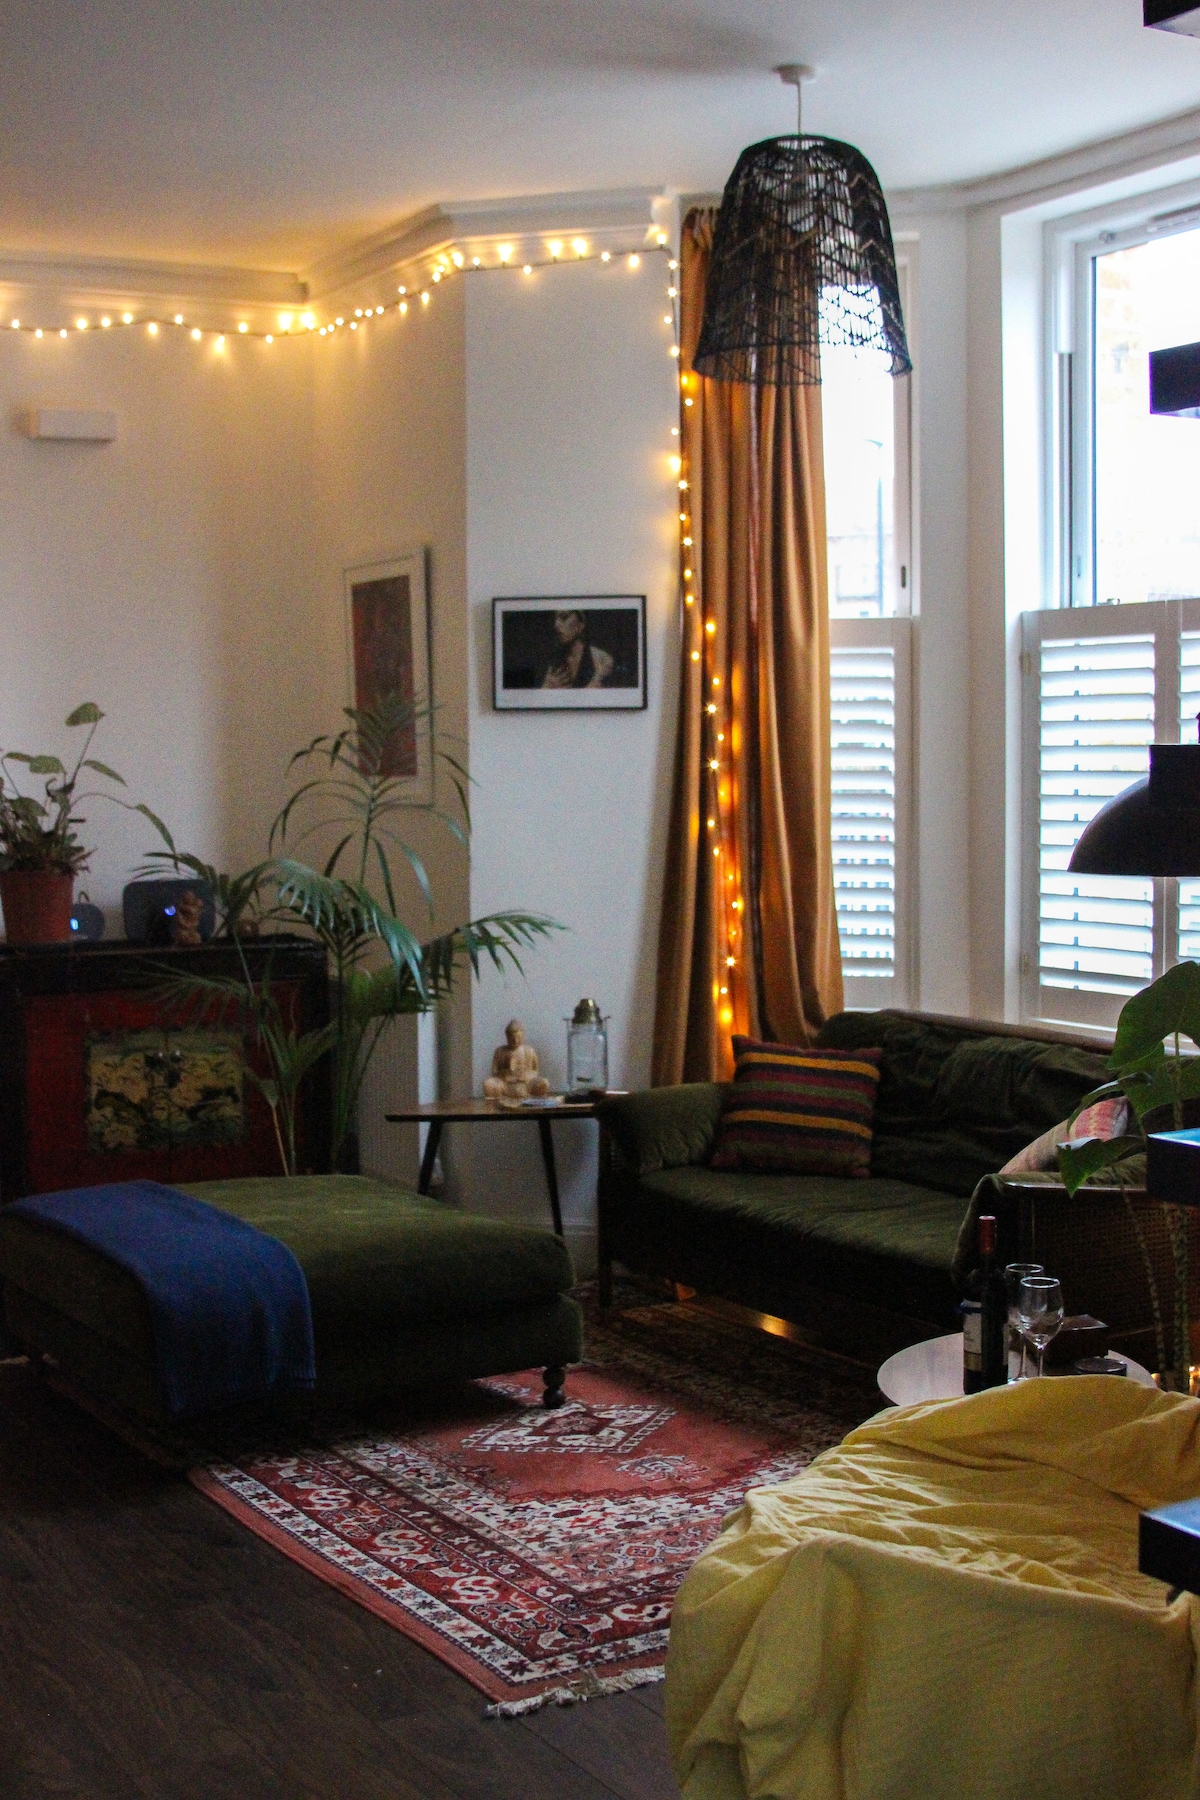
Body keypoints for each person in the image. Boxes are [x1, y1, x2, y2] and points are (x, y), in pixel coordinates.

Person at [542, 609, 614, 689]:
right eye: (555, 619)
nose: (556, 625)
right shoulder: (554, 661)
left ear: (581, 624)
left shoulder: (601, 659)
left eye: (564, 617)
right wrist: (547, 687)